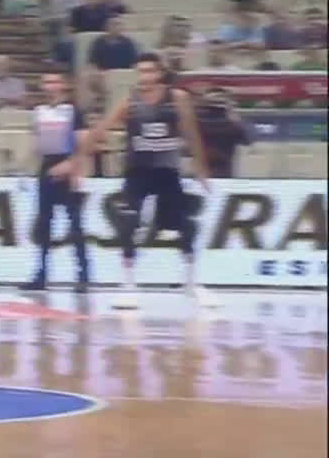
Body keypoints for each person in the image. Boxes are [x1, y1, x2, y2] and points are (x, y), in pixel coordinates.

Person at [86, 53, 215, 309]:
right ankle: (128, 285)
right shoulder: (130, 100)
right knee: (127, 222)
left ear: (159, 73)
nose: (144, 76)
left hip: (167, 171)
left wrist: (201, 169)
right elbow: (102, 128)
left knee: (185, 225)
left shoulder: (177, 98)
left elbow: (191, 134)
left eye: (148, 71)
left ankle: (191, 284)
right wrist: (81, 155)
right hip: (137, 171)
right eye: (140, 71)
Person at [21, 70, 90, 292]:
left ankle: (83, 275)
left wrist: (74, 168)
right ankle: (41, 275)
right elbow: (36, 144)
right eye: (47, 82)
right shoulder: (39, 112)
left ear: (63, 85)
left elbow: (84, 143)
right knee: (44, 225)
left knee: (75, 225)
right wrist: (25, 168)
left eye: (54, 81)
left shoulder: (73, 111)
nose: (50, 86)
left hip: (68, 167)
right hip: (46, 168)